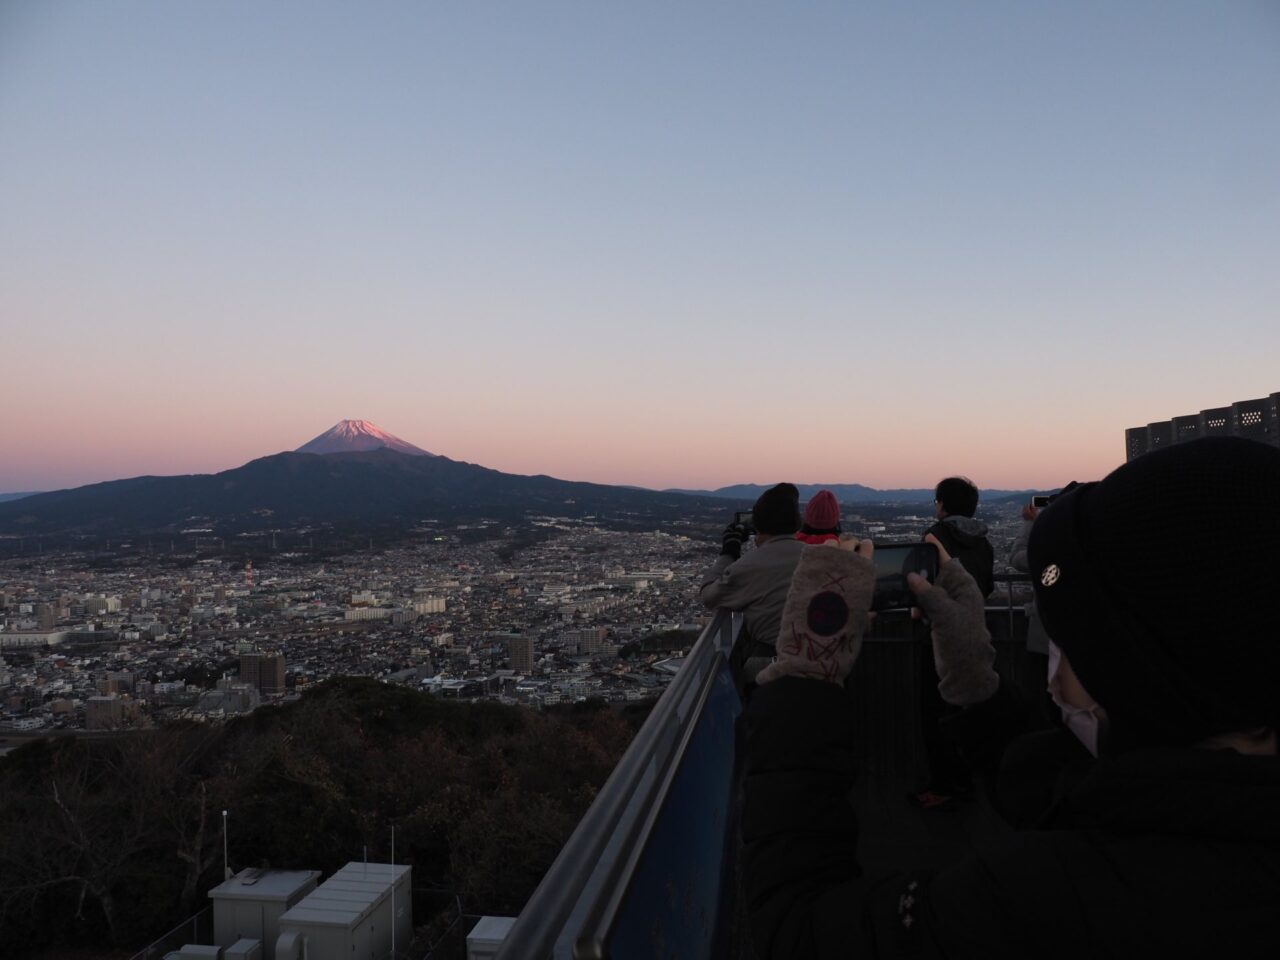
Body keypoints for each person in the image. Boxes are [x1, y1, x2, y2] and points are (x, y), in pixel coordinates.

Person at [742, 437, 1280, 957]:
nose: (1053, 666)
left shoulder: (1046, 901)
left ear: (1129, 672)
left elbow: (795, 932)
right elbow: (1060, 790)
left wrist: (804, 680)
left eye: (1065, 637)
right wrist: (975, 682)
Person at [913, 476, 994, 808]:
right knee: (967, 714)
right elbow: (985, 588)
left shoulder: (935, 537)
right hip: (976, 634)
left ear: (942, 504)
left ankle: (944, 786)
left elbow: (922, 587)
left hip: (939, 637)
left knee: (935, 714)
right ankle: (970, 782)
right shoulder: (985, 543)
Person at [698, 482, 803, 693]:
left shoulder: (749, 565)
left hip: (771, 661)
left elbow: (709, 596)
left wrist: (729, 552)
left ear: (757, 524)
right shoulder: (819, 557)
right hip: (818, 659)